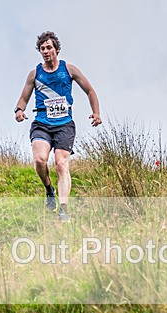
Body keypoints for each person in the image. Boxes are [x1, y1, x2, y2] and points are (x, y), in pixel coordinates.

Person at [14, 31, 102, 222]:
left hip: (64, 125)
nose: (45, 51)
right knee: (40, 160)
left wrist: (96, 113)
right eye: (42, 49)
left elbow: (90, 91)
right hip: (42, 124)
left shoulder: (69, 70)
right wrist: (19, 110)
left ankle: (63, 209)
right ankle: (49, 189)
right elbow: (23, 98)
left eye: (49, 48)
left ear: (56, 49)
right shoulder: (35, 74)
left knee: (61, 164)